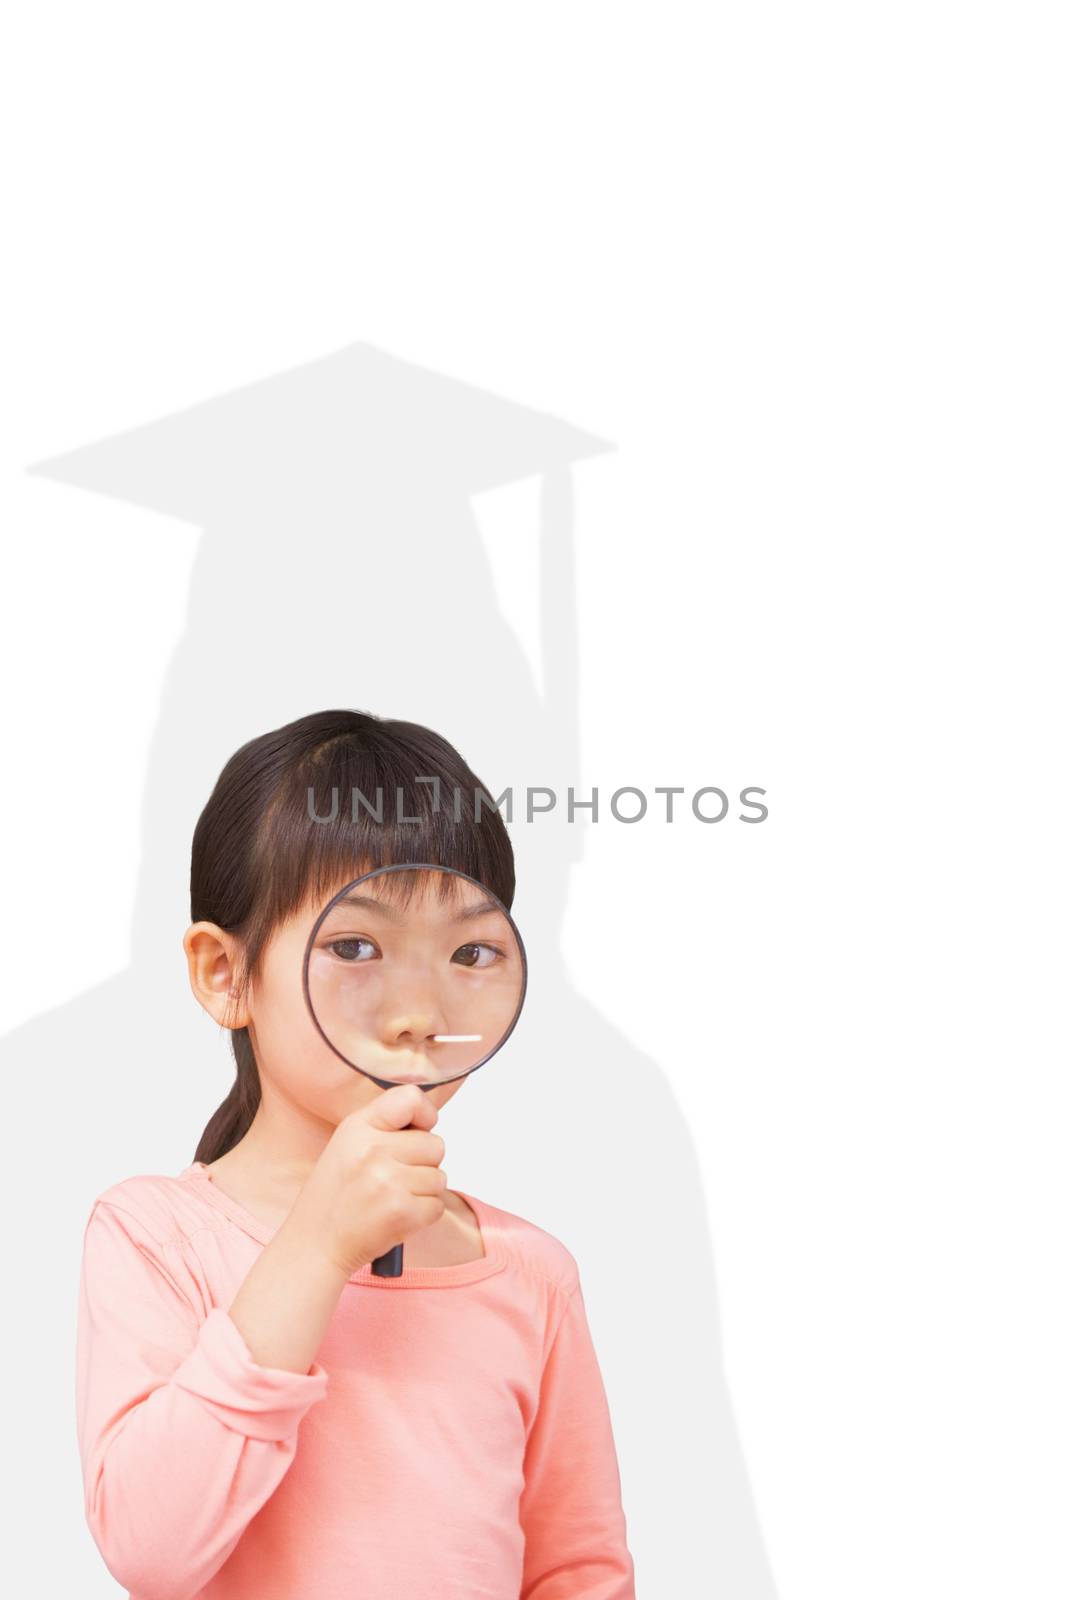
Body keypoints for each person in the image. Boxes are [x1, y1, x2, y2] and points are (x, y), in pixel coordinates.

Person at [75, 707, 637, 1600]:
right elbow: (150, 1552)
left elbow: (577, 1572)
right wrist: (318, 1246)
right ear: (226, 974)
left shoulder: (533, 1276)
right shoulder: (154, 1236)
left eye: (469, 951)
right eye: (354, 945)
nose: (419, 1008)